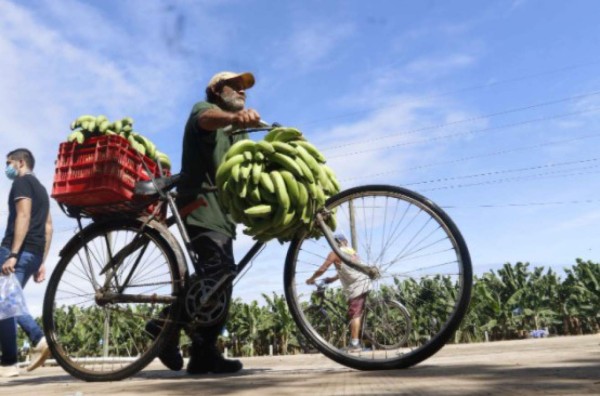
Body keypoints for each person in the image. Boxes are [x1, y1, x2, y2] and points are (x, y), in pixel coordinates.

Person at [147, 71, 261, 375]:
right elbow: (205, 120)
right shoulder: (205, 110)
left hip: (222, 211)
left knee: (221, 282)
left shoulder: (239, 132)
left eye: (244, 89)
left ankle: (202, 353)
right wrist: (234, 119)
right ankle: (163, 325)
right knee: (217, 272)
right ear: (215, 89)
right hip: (200, 204)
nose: (241, 91)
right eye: (234, 86)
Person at [0, 149, 52, 378]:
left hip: (16, 251)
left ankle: (37, 338)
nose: (6, 168)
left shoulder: (21, 183)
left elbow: (23, 215)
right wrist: (42, 261)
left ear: (21, 163)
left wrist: (13, 253)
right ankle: (8, 363)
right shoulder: (41, 190)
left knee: (5, 301)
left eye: (8, 163)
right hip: (35, 254)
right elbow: (48, 226)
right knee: (5, 304)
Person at [306, 233, 371, 352]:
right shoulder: (351, 252)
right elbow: (348, 269)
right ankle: (360, 341)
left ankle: (355, 345)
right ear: (344, 242)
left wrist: (311, 279)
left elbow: (322, 269)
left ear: (335, 243)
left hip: (357, 285)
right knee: (356, 313)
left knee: (354, 314)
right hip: (364, 281)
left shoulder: (335, 253)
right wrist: (332, 279)